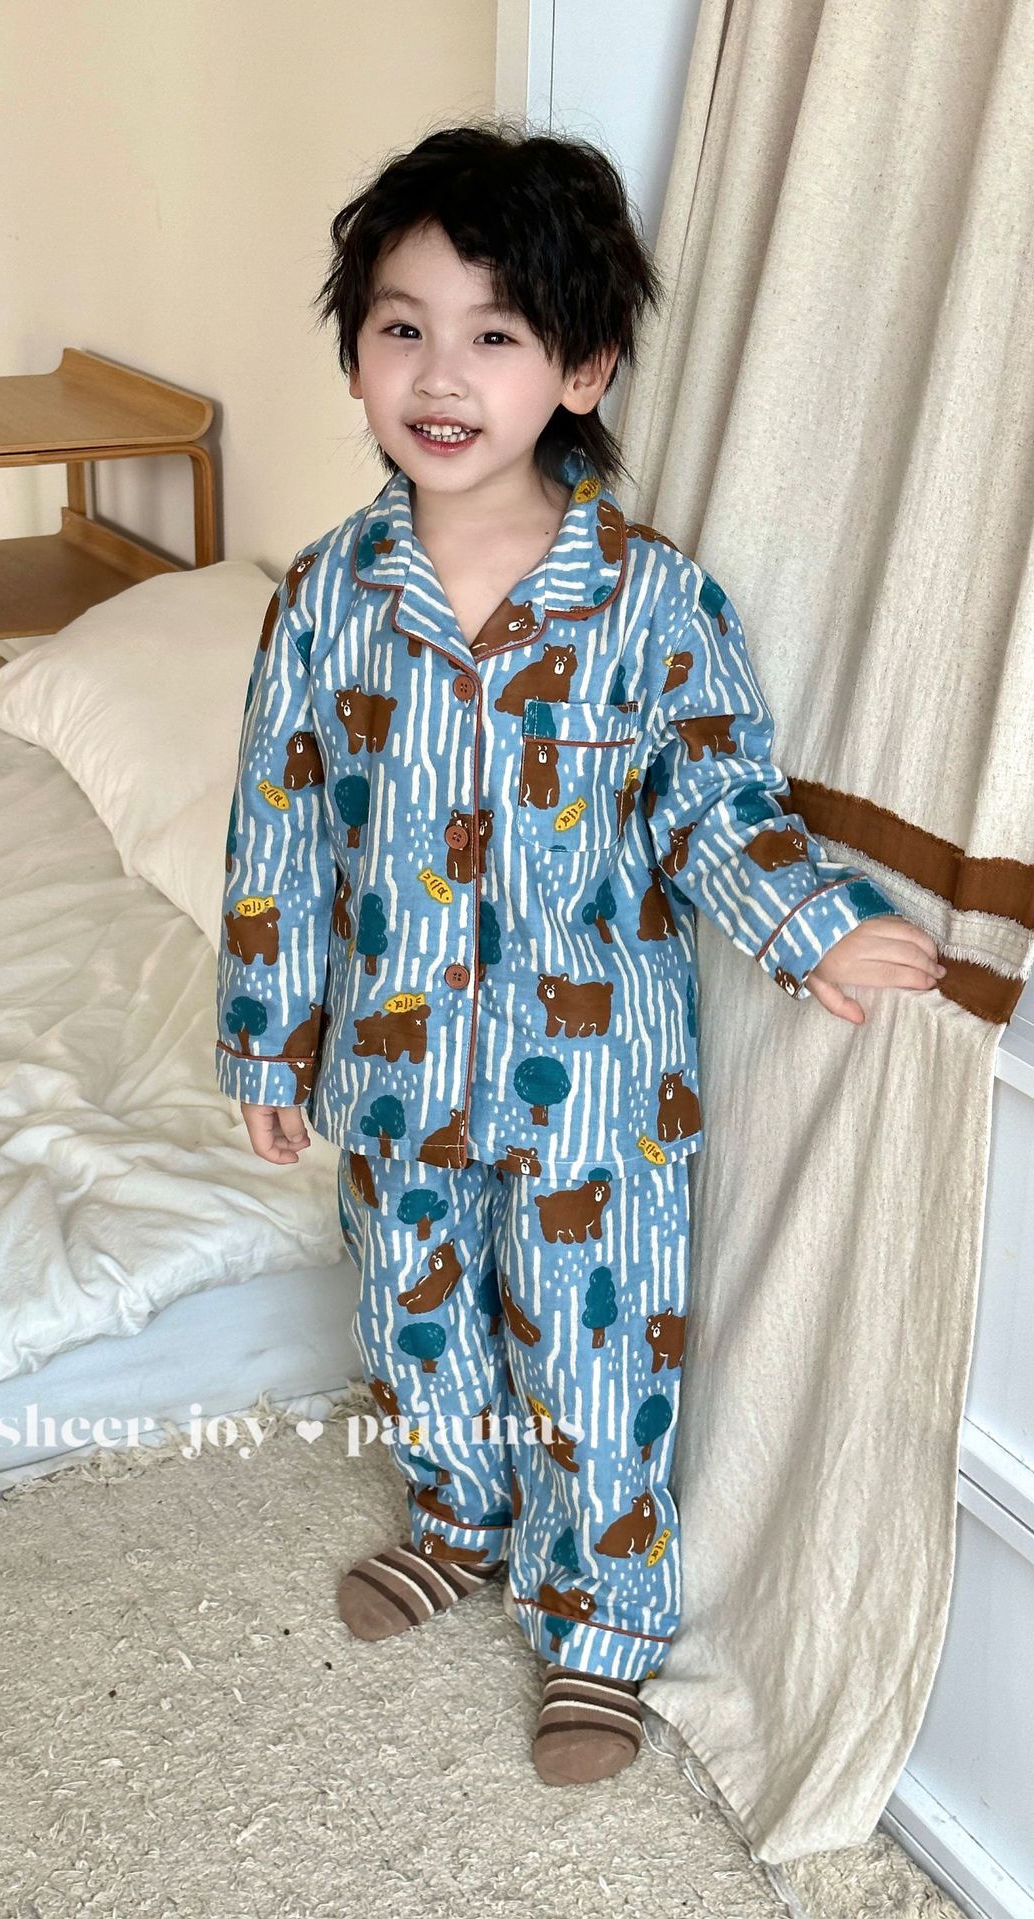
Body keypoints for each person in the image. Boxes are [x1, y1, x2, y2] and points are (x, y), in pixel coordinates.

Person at [212, 120, 942, 1787]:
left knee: (594, 1358)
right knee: (415, 1316)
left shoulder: (655, 606)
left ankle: (601, 1631)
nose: (441, 374)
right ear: (354, 355)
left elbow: (715, 800)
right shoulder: (328, 599)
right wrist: (268, 1037)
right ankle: (459, 1519)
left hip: (600, 1089)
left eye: (496, 334)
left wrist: (815, 928)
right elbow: (280, 830)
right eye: (402, 327)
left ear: (583, 371)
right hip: (396, 1065)